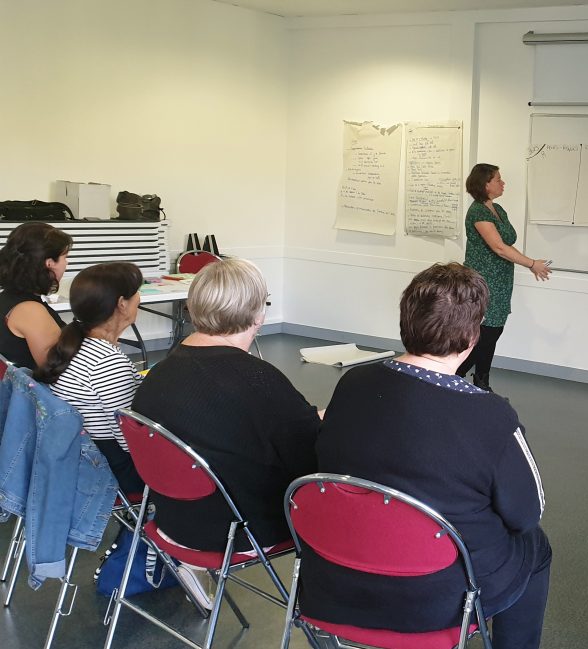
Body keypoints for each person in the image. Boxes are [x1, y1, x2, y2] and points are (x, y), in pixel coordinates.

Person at [313, 262, 551, 649]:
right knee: (535, 546)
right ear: (473, 336)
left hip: (338, 578)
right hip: (437, 595)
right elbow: (526, 515)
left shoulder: (353, 384)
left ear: (406, 321)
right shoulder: (492, 415)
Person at [132, 258, 319, 553]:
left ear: (193, 307)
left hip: (173, 520)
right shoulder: (258, 380)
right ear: (258, 315)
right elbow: (310, 459)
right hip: (242, 529)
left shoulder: (159, 373)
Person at [36, 262, 144, 494]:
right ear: (122, 304)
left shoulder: (78, 345)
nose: (140, 298)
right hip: (111, 470)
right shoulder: (106, 363)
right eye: (136, 292)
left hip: (81, 458)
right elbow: (131, 442)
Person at [457, 163, 550, 392]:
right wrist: (531, 263)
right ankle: (461, 376)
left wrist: (529, 264)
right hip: (484, 280)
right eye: (498, 179)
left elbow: (507, 245)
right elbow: (498, 247)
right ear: (485, 184)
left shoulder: (498, 210)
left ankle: (476, 381)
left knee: (492, 330)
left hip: (501, 280)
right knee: (489, 331)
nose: (503, 183)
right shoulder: (477, 211)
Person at [0, 222, 73, 368]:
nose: (67, 263)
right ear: (49, 263)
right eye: (65, 257)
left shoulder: (7, 298)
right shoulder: (30, 310)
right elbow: (55, 370)